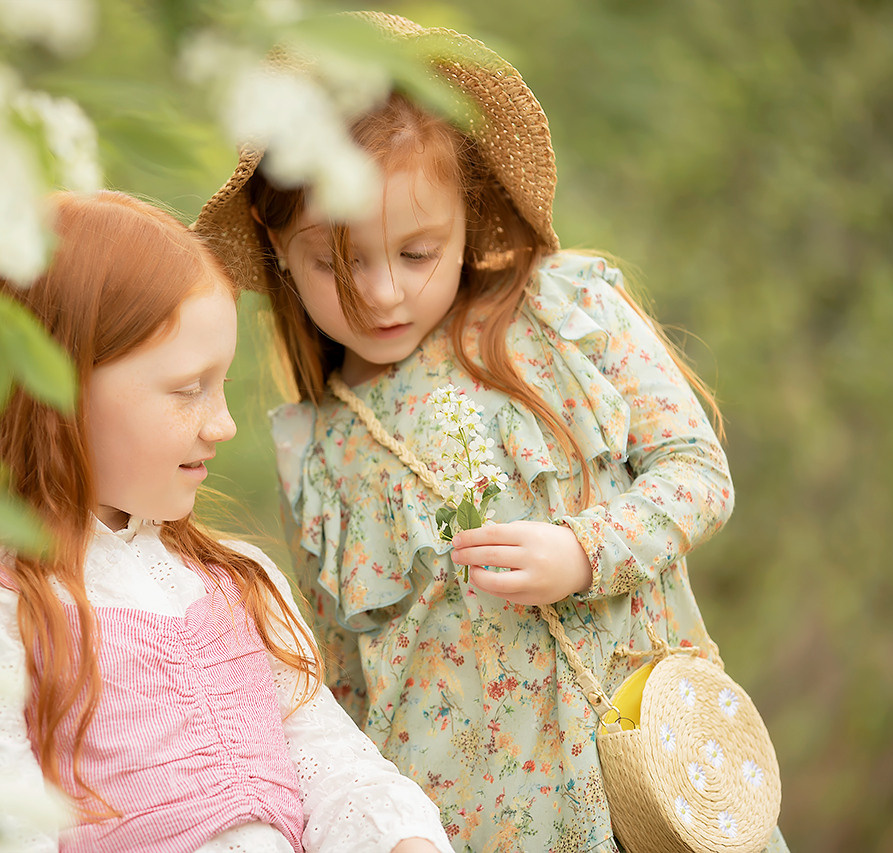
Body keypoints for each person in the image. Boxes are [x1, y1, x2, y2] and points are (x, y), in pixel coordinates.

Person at [195, 13, 789, 853]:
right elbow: (345, 683)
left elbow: (696, 472)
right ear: (278, 248)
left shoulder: (562, 310)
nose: (382, 295)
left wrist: (585, 549)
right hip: (462, 821)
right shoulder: (315, 448)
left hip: (638, 788)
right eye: (337, 263)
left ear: (468, 216)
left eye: (415, 252)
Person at [0, 190, 453, 853]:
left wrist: (398, 840)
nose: (224, 423)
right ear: (54, 391)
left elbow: (328, 762)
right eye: (188, 389)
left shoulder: (236, 582)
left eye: (221, 386)